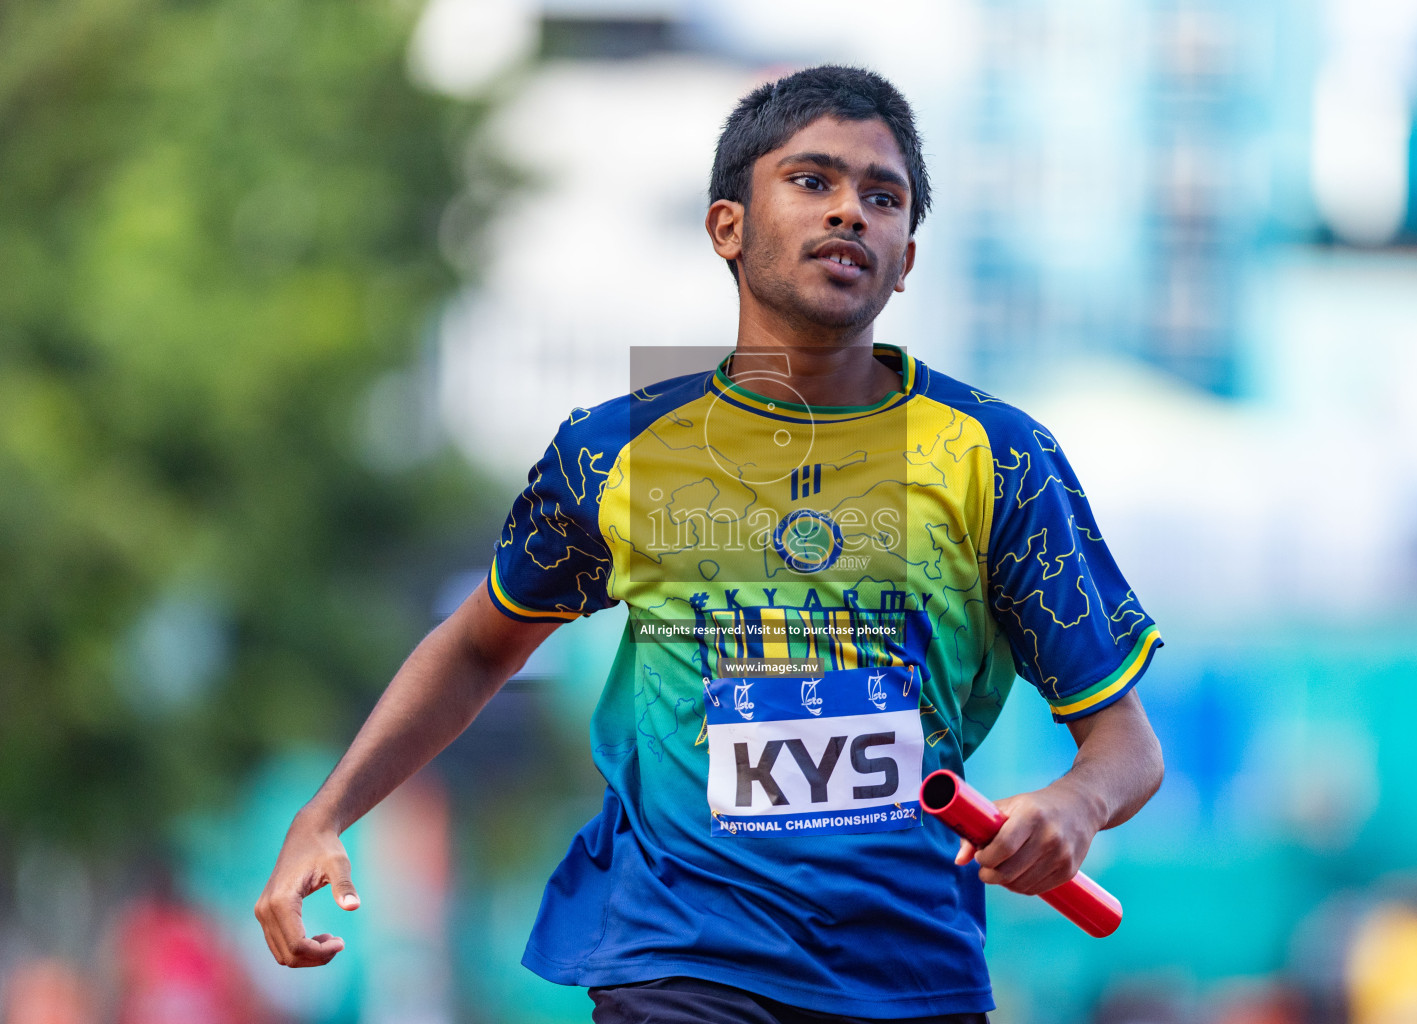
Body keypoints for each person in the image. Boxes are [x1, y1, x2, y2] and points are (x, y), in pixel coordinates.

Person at [255, 64, 1165, 1024]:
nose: (849, 212)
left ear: (906, 260)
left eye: (881, 196)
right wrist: (327, 812)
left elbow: (1125, 743)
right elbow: (481, 646)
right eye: (812, 182)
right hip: (682, 958)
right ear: (726, 226)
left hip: (912, 969)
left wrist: (1074, 807)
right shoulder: (617, 450)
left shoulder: (999, 457)